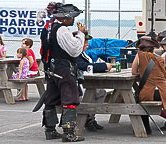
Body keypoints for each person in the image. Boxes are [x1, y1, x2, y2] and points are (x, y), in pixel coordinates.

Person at [41, 2, 85, 142]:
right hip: (63, 68)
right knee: (70, 98)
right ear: (64, 18)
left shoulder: (48, 27)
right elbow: (74, 50)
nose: (73, 20)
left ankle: (50, 130)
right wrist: (81, 34)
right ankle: (68, 133)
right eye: (72, 17)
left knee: (51, 98)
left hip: (51, 67)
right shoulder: (62, 30)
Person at [132, 36, 166, 137]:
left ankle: (146, 128)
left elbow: (134, 72)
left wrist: (143, 71)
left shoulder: (139, 56)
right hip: (163, 91)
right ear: (153, 48)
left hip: (146, 92)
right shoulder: (159, 59)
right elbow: (163, 74)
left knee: (139, 101)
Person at [76, 31, 112, 131]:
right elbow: (82, 66)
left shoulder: (83, 54)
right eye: (85, 42)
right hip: (77, 86)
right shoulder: (74, 55)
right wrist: (103, 66)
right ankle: (87, 119)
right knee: (92, 94)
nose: (87, 44)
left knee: (101, 92)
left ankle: (91, 118)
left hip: (85, 83)